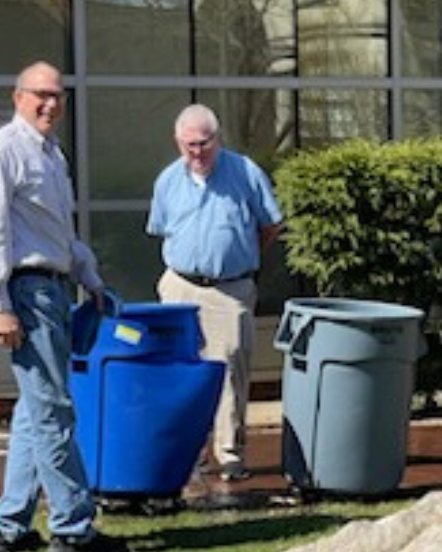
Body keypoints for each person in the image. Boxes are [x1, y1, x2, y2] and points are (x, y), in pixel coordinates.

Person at [0, 61, 128, 552]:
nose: (50, 104)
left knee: (34, 412)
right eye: (40, 94)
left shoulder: (53, 155)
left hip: (55, 290)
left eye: (57, 96)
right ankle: (73, 529)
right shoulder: (3, 150)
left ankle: (10, 528)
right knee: (54, 412)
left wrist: (90, 278)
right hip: (27, 294)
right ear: (17, 97)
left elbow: (61, 234)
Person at [146, 103, 283, 482]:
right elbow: (162, 229)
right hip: (179, 285)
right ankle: (189, 454)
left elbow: (270, 226)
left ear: (218, 139)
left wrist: (241, 255)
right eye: (189, 145)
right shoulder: (168, 181)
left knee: (229, 374)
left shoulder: (245, 173)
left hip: (230, 289)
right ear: (178, 143)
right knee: (181, 372)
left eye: (204, 143)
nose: (197, 152)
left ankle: (230, 455)